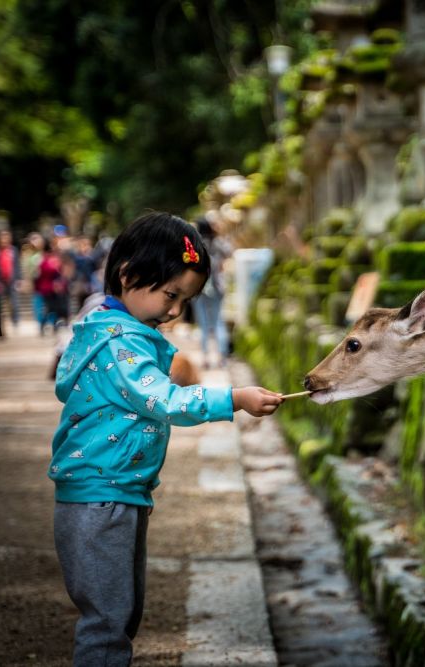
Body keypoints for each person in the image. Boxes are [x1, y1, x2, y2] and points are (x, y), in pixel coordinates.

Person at [48, 211, 284, 665]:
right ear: (128, 275)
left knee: (119, 614)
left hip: (117, 491)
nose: (175, 311)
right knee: (108, 622)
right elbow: (166, 400)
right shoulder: (120, 344)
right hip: (102, 498)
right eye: (170, 295)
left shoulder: (116, 332)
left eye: (185, 300)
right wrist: (232, 398)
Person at [193, 216, 232, 368]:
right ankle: (222, 357)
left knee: (203, 324)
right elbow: (229, 251)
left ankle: (206, 359)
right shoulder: (217, 242)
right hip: (217, 286)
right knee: (218, 322)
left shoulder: (197, 244)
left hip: (199, 288)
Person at [0, 230, 20, 331]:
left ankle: (15, 321)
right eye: (2, 237)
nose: (4, 240)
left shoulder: (13, 250)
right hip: (0, 281)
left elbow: (17, 265)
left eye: (6, 237)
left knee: (14, 302)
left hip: (12, 280)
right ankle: (0, 323)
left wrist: (18, 279)